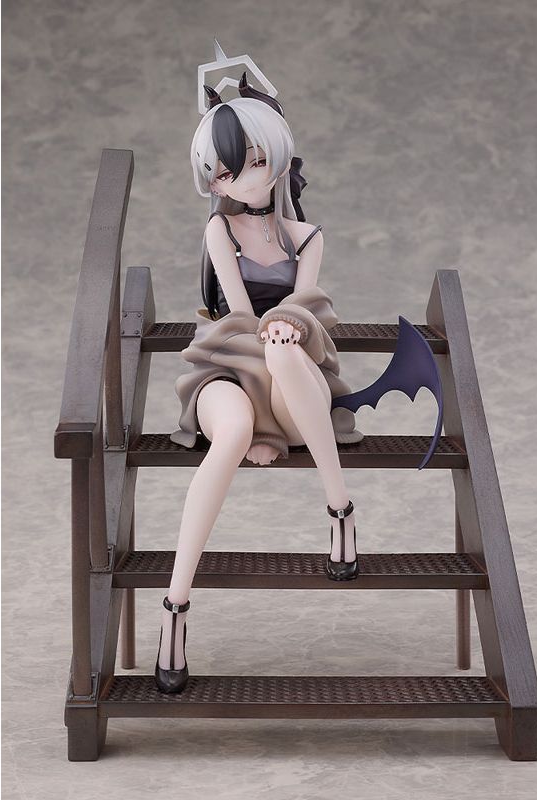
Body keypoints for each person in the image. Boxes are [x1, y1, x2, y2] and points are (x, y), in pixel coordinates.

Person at [155, 63, 364, 695]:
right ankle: (175, 608)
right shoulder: (220, 228)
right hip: (228, 365)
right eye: (220, 172)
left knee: (286, 349)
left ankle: (340, 509)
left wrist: (289, 326)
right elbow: (239, 314)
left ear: (274, 155)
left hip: (290, 377)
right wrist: (271, 330)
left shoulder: (307, 237)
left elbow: (309, 306)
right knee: (232, 429)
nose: (234, 180)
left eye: (246, 163)